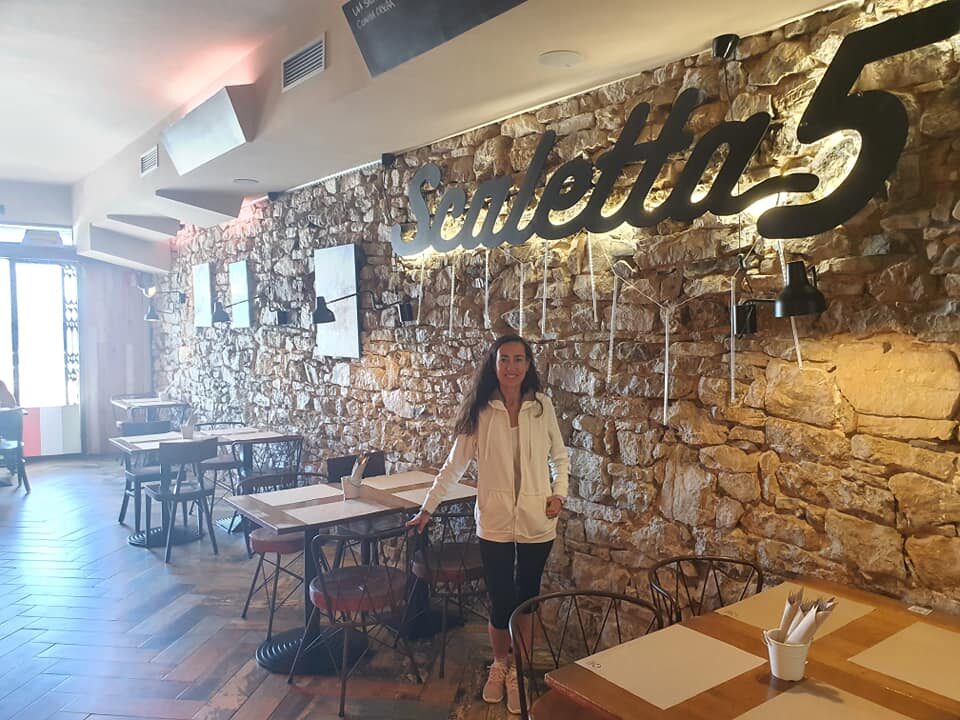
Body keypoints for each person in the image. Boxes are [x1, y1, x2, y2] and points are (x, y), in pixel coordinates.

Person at [406, 334, 569, 715]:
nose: (511, 366)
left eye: (518, 359)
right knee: (500, 599)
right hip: (494, 523)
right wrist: (428, 508)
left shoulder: (542, 407)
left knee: (526, 598)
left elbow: (560, 457)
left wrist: (559, 493)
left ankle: (519, 669)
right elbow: (453, 466)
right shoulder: (481, 412)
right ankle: (499, 664)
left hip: (537, 522)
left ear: (528, 364)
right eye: (504, 359)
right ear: (493, 365)